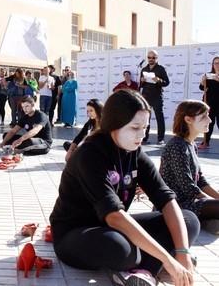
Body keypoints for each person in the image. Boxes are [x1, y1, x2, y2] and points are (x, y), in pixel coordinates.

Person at [50, 89, 199, 286]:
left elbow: (166, 199)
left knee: (189, 220)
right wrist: (167, 258)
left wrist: (183, 253)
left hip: (112, 227)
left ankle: (142, 271)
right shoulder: (90, 155)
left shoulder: (135, 152)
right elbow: (114, 216)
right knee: (121, 248)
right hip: (76, 234)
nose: (142, 135)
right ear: (114, 125)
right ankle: (148, 264)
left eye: (145, 128)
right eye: (135, 127)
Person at [160, 100, 219, 234]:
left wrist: (217, 198)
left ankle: (208, 221)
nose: (209, 120)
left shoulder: (191, 145)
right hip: (176, 206)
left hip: (191, 203)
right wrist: (212, 202)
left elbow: (201, 181)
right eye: (203, 116)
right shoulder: (176, 146)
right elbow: (188, 186)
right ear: (188, 119)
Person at [140, 50, 170, 145]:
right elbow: (141, 85)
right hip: (146, 96)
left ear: (157, 58)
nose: (151, 59)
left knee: (159, 118)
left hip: (157, 96)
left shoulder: (161, 69)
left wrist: (158, 80)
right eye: (149, 57)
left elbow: (167, 83)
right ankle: (144, 138)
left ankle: (160, 138)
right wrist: (142, 80)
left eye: (153, 57)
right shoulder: (144, 69)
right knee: (146, 118)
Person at [198, 56, 219, 149]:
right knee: (208, 123)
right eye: (215, 63)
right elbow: (202, 88)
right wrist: (203, 82)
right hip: (210, 103)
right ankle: (205, 142)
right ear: (213, 65)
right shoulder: (209, 75)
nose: (217, 65)